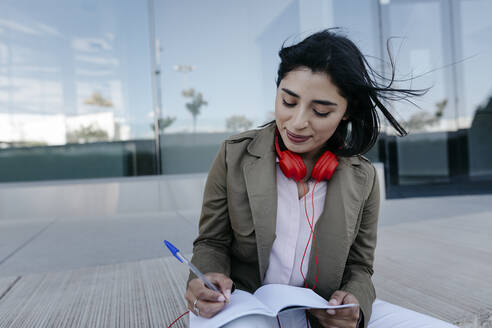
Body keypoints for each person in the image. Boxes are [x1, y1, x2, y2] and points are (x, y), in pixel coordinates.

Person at [184, 29, 425, 328]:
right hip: (246, 305)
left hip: (322, 312)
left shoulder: (364, 178)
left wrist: (354, 305)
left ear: (346, 112)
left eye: (321, 111)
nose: (297, 123)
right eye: (288, 102)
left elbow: (360, 267)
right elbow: (211, 241)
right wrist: (204, 277)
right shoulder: (233, 155)